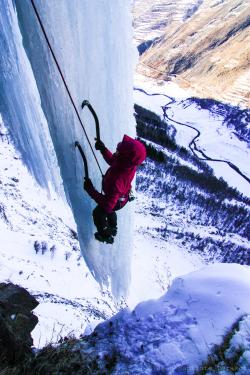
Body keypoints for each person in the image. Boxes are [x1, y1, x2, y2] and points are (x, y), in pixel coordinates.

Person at [84, 134, 146, 244]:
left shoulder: (117, 181)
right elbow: (113, 160)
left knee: (99, 213)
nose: (115, 152)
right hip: (122, 197)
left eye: (118, 151)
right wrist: (103, 149)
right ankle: (113, 227)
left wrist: (91, 190)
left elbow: (108, 205)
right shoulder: (127, 165)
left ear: (125, 157)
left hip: (117, 201)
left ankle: (106, 235)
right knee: (110, 209)